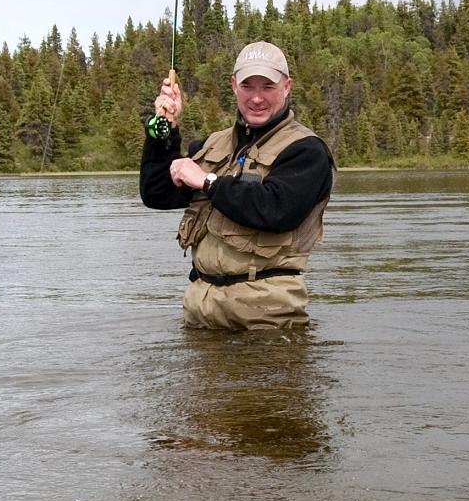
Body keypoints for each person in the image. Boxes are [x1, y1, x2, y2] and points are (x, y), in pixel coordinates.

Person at [139, 41, 335, 330]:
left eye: (267, 87)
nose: (257, 98)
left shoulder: (306, 151)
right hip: (201, 312)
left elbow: (275, 209)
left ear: (287, 87)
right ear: (233, 86)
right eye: (248, 86)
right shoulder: (211, 145)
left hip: (267, 319)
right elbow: (157, 193)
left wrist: (207, 181)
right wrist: (164, 133)